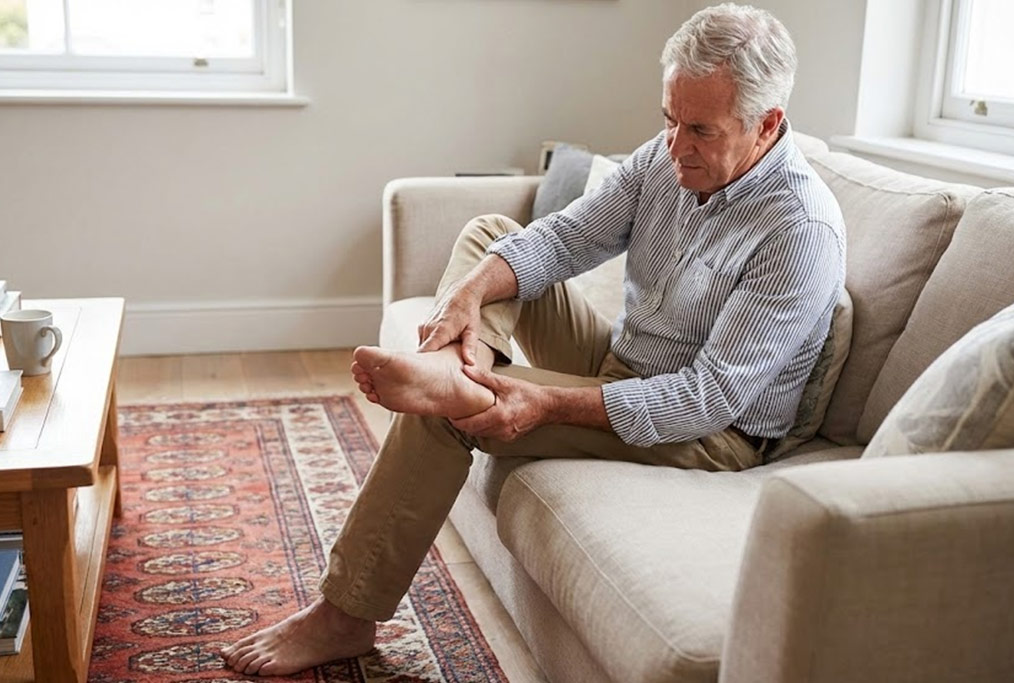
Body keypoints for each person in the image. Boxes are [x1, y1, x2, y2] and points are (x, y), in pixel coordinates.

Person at [221, 2, 846, 676]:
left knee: (452, 411)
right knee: (492, 237)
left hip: (709, 432)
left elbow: (708, 396)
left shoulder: (798, 231)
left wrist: (544, 404)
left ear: (768, 124)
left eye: (699, 130)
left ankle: (345, 615)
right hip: (624, 359)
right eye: (669, 120)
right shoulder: (665, 161)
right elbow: (566, 237)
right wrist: (466, 296)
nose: (676, 147)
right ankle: (450, 363)